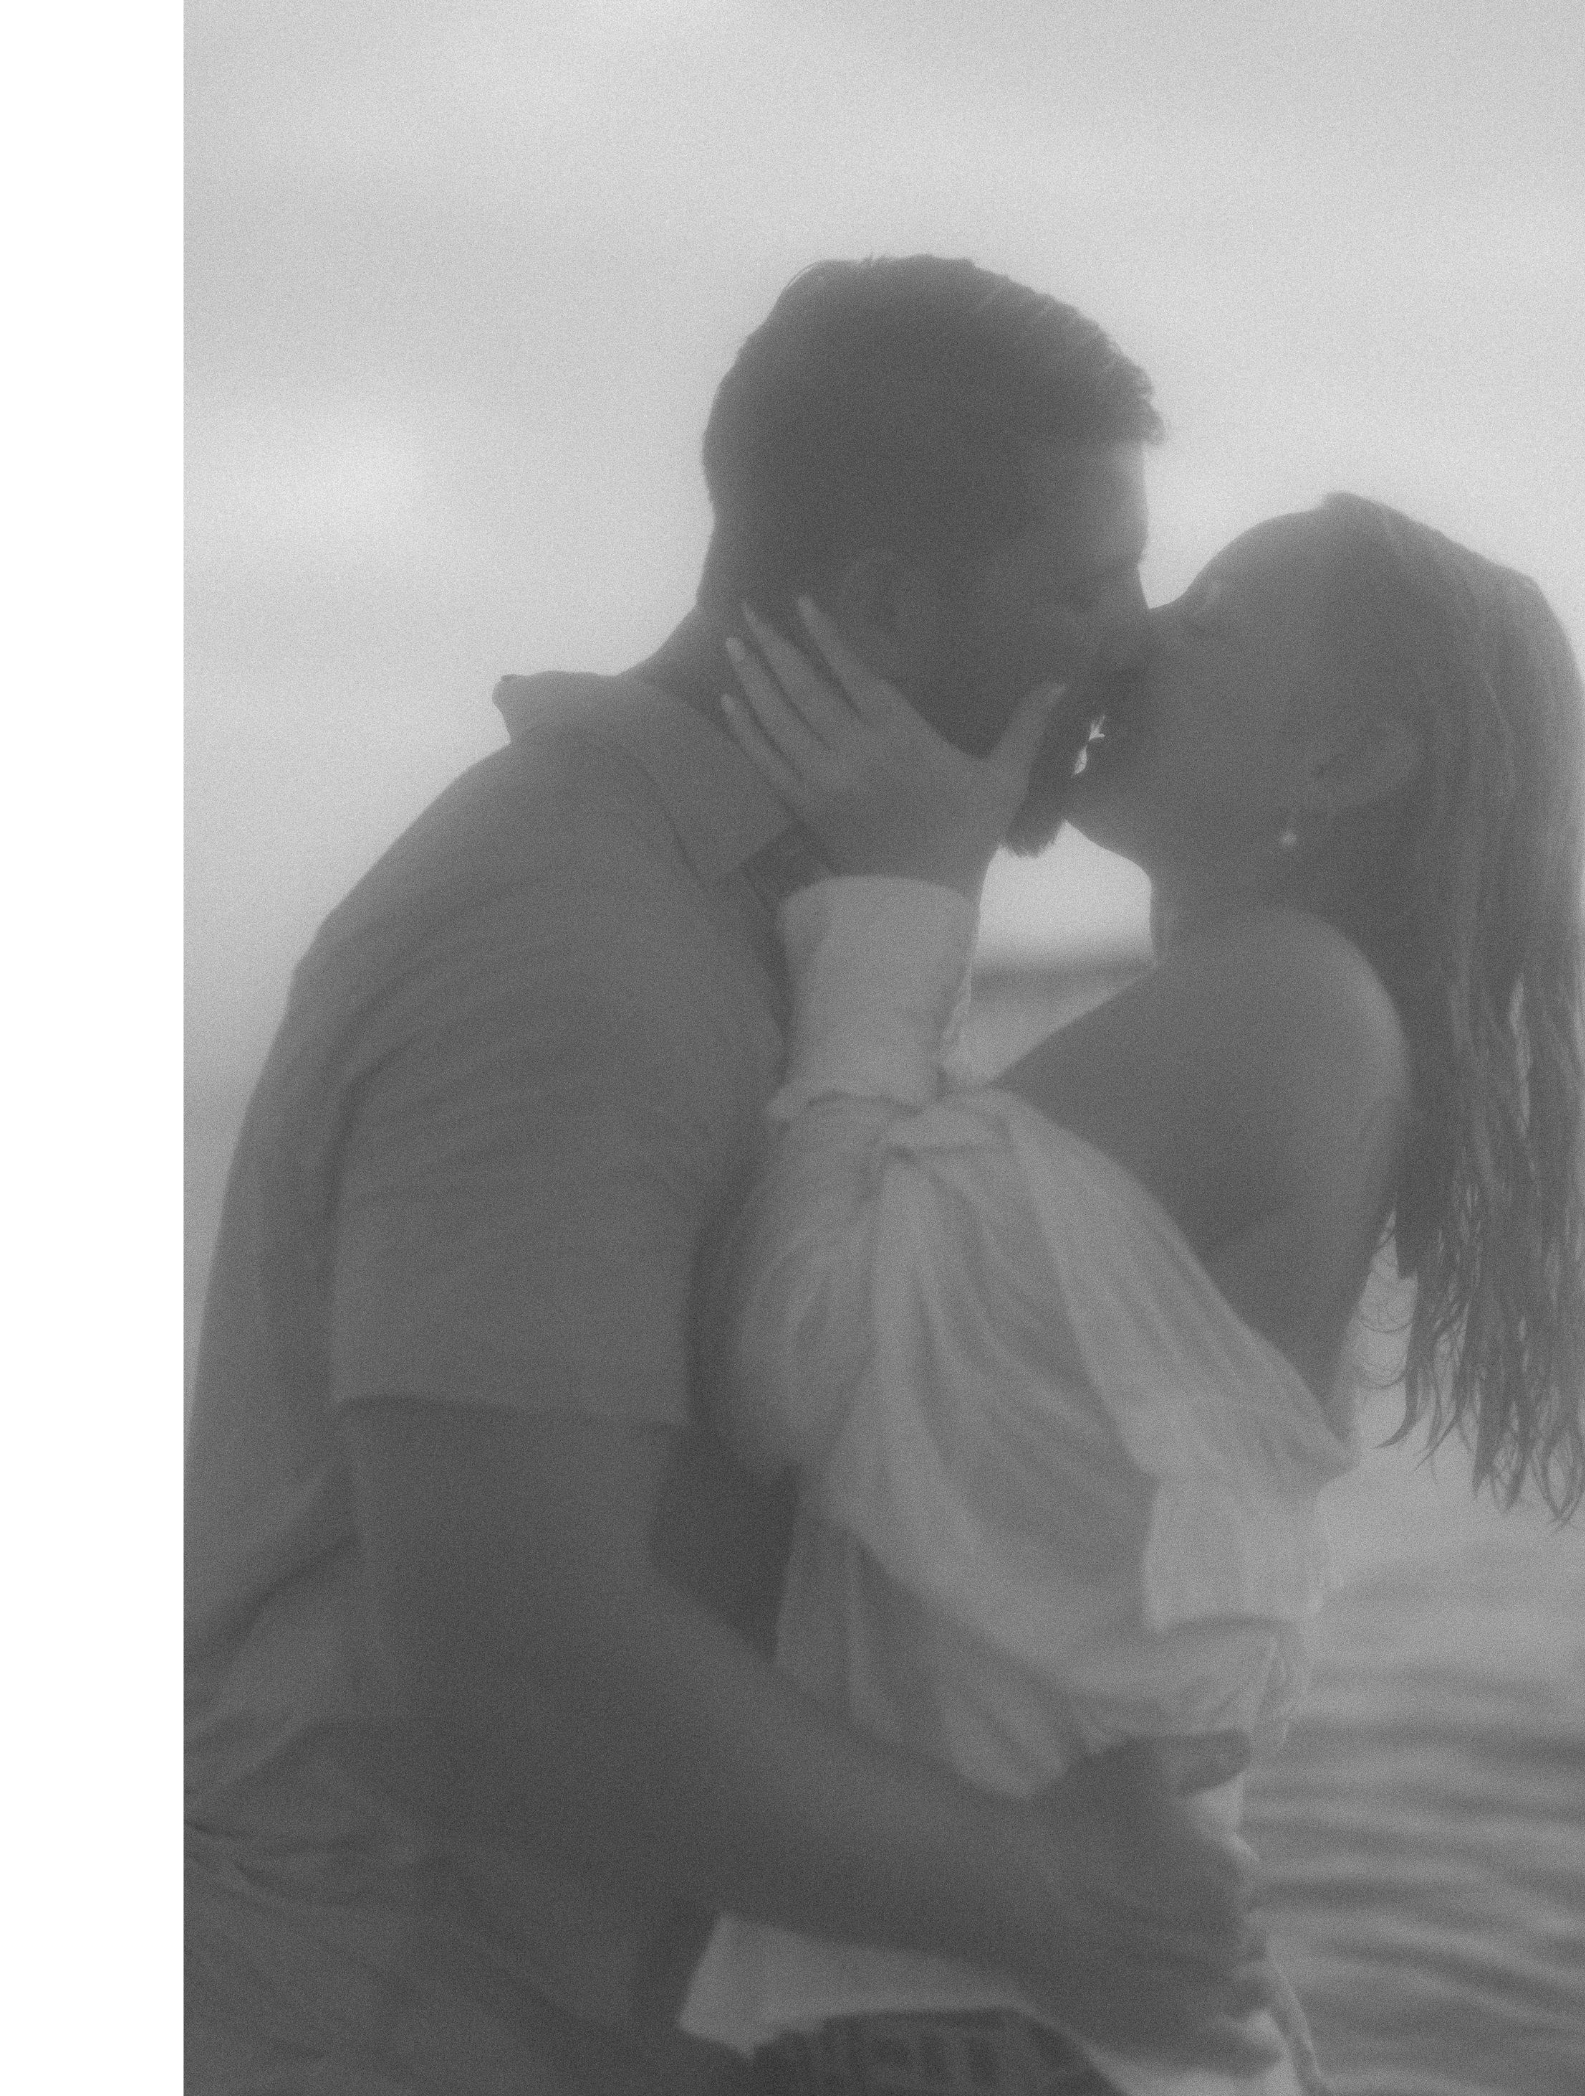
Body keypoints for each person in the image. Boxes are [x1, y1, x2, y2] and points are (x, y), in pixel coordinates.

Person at [183, 256, 1279, 2095]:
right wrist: (1046, 1899)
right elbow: (510, 1663)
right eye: (1088, 587)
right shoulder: (571, 941)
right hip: (398, 2016)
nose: (1137, 644)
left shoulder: (780, 915)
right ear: (885, 605)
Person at [684, 496, 1585, 2093]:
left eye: (1211, 619)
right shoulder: (1288, 1012)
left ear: (1342, 762)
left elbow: (793, 1353)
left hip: (982, 2036)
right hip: (1026, 2025)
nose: (1132, 634)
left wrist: (907, 891)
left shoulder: (1281, 1003)